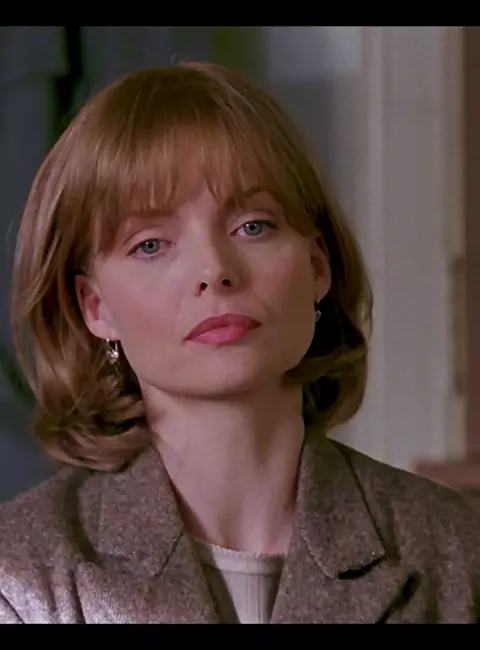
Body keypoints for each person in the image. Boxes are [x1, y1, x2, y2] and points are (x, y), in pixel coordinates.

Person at [0, 60, 479, 625]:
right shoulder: (21, 573)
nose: (214, 270)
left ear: (317, 266)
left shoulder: (455, 551)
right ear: (95, 307)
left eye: (253, 226)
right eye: (151, 244)